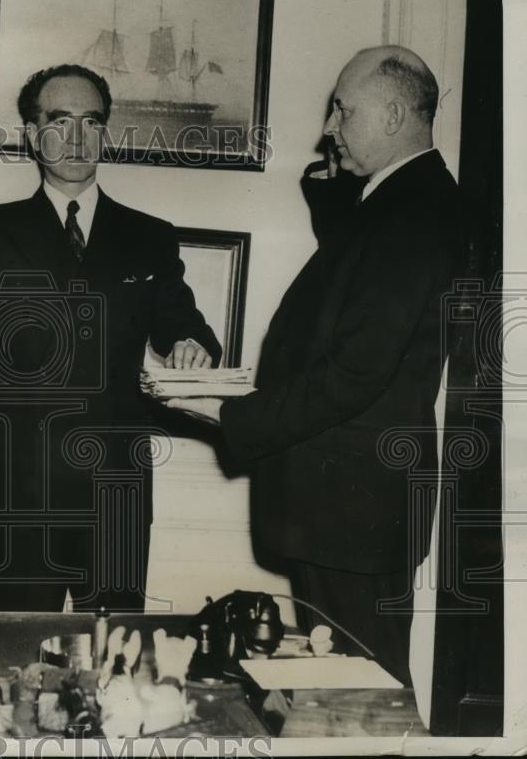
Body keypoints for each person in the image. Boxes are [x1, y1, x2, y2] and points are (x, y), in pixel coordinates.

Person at [167, 46, 463, 685]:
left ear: (390, 117)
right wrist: (334, 202)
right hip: (347, 511)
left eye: (342, 110)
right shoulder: (402, 200)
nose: (330, 127)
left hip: (351, 515)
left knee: (363, 698)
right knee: (340, 689)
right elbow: (355, 296)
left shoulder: (412, 213)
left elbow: (356, 370)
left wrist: (232, 415)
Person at [0, 56, 221, 612]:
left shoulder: (149, 237)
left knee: (114, 661)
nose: (77, 138)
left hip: (117, 496)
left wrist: (194, 346)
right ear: (33, 133)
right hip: (20, 495)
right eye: (59, 121)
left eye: (92, 122)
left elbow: (184, 324)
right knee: (17, 659)